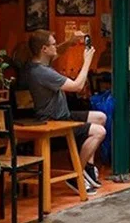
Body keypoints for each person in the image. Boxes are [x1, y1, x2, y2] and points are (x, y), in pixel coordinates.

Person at [26, 30, 105, 195]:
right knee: (99, 132)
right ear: (44, 49)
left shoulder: (38, 63)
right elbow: (77, 86)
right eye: (53, 44)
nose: (56, 46)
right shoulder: (43, 72)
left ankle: (87, 168)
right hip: (54, 121)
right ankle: (76, 174)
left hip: (63, 115)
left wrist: (70, 42)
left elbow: (57, 52)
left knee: (100, 117)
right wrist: (87, 62)